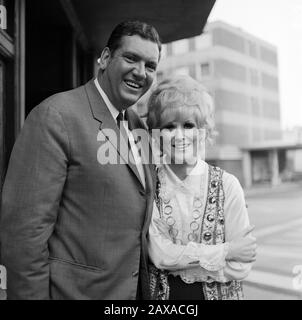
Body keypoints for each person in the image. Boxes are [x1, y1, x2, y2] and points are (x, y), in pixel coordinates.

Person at [0, 20, 161, 300]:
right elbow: (24, 236)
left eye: (150, 66)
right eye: (131, 58)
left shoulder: (138, 126)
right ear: (106, 58)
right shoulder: (56, 116)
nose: (140, 72)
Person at [146, 75, 257, 300]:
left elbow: (241, 266)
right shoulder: (148, 185)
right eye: (169, 126)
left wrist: (176, 264)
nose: (180, 135)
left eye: (188, 125)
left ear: (203, 130)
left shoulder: (228, 185)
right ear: (156, 134)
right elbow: (158, 254)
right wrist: (225, 251)